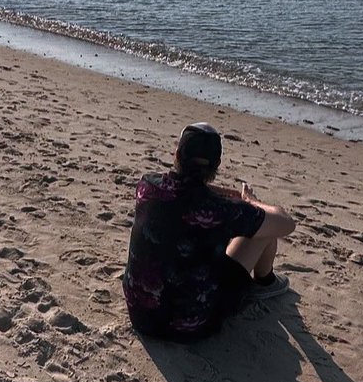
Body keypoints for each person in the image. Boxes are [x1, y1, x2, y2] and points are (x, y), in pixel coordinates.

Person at [122, 122, 296, 342]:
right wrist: (252, 202)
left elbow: (184, 190)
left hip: (141, 315)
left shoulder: (148, 185)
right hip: (190, 326)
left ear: (176, 154)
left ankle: (262, 280)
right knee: (264, 230)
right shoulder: (218, 210)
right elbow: (286, 223)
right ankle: (265, 282)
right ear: (217, 165)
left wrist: (229, 196)